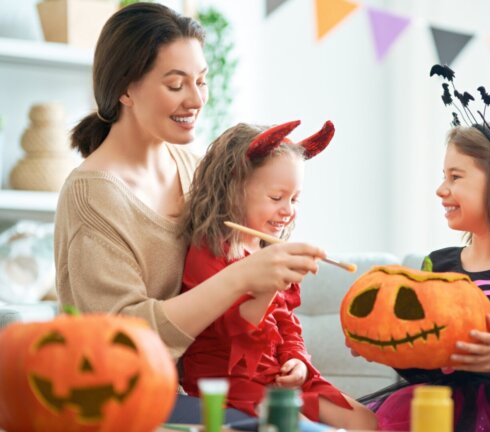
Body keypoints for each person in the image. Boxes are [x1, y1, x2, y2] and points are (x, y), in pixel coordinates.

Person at [54, 3, 323, 364]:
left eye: (201, 81)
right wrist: (240, 278)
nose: (196, 100)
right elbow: (121, 339)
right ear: (125, 90)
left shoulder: (199, 171)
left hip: (217, 380)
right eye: (176, 84)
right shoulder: (92, 199)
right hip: (134, 388)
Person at [366, 119, 490, 431]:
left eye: (455, 177)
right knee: (323, 403)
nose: (440, 190)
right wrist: (389, 350)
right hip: (431, 411)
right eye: (443, 176)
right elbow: (428, 371)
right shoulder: (437, 264)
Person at [178, 121, 377, 430]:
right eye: (276, 198)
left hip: (274, 375)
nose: (288, 210)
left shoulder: (269, 249)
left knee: (365, 420)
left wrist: (296, 359)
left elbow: (287, 323)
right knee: (302, 427)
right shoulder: (209, 252)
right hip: (232, 381)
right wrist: (274, 282)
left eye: (294, 199)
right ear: (234, 188)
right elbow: (236, 331)